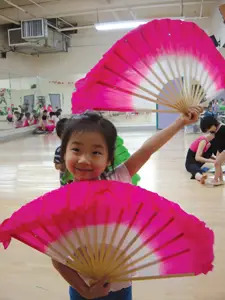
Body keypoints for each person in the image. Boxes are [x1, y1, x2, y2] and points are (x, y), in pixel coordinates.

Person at [52, 107, 202, 300]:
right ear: (64, 153)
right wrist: (85, 290)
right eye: (76, 149)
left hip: (122, 284)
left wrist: (180, 122)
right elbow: (57, 259)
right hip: (83, 289)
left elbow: (147, 150)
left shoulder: (118, 178)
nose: (84, 159)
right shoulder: (59, 204)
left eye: (96, 152)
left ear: (108, 159)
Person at [200, 115, 225, 185]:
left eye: (209, 129)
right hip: (220, 148)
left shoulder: (222, 128)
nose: (209, 131)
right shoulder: (214, 131)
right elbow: (217, 140)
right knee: (217, 164)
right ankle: (221, 179)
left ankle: (215, 180)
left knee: (216, 163)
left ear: (213, 124)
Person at [53, 118, 70, 186]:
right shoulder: (59, 150)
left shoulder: (79, 149)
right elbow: (56, 166)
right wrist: (64, 164)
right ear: (60, 135)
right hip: (65, 179)